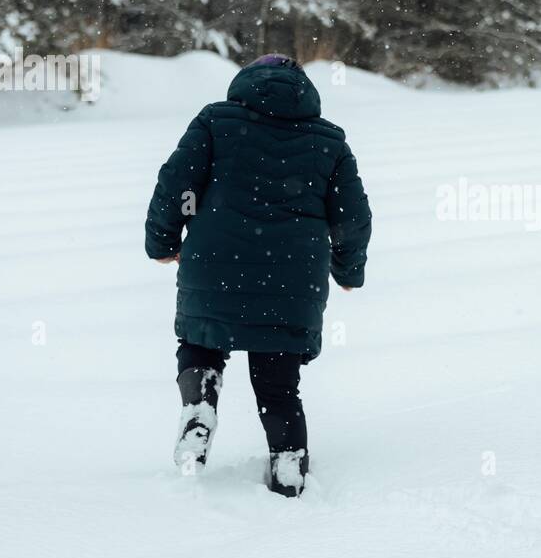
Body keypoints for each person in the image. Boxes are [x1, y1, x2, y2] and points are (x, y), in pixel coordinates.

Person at [144, 54, 371, 496]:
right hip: (292, 282)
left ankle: (199, 406)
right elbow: (351, 218)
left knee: (201, 343)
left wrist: (164, 242)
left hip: (214, 268)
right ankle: (288, 465)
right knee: (278, 382)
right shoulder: (330, 142)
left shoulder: (216, 121)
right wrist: (348, 269)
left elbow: (177, 184)